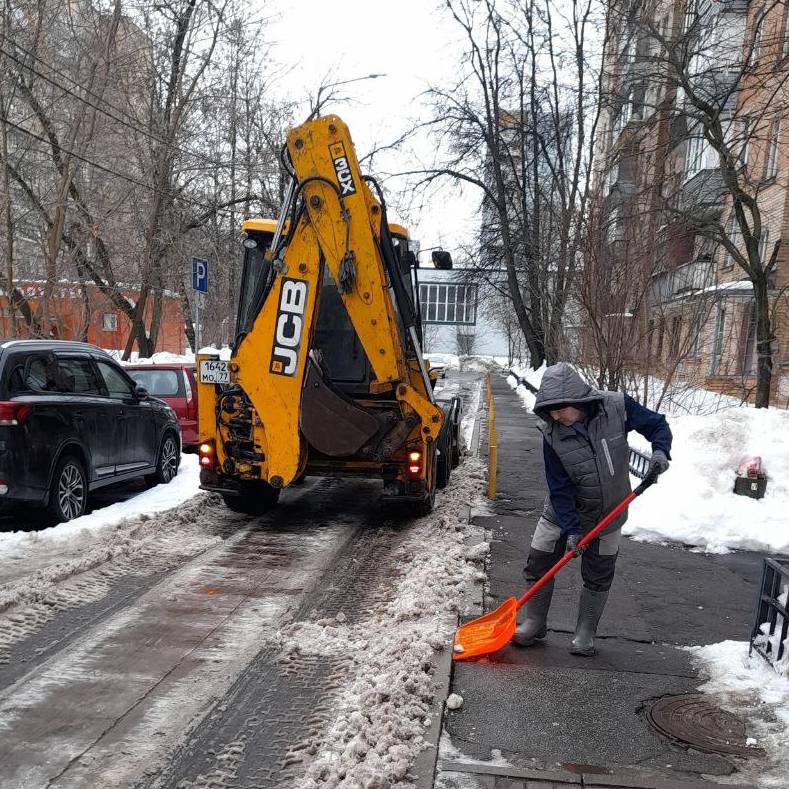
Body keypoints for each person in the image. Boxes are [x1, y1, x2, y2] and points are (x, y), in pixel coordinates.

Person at [512, 362, 672, 656]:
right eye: (551, 411)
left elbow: (657, 425)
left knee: (599, 571)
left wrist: (660, 450)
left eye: (560, 409)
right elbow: (559, 487)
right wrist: (572, 529)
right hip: (561, 513)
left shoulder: (617, 408)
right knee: (539, 561)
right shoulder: (551, 433)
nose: (556, 416)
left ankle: (585, 632)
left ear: (578, 400)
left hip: (609, 513)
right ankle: (534, 622)